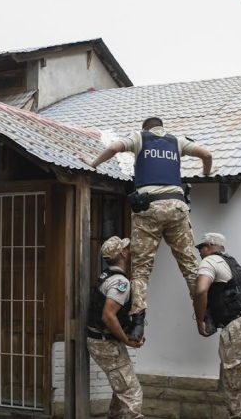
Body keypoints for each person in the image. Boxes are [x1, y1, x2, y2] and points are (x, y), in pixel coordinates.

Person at [86, 116, 213, 342]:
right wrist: (206, 172)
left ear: (145, 128)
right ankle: (207, 316)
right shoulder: (177, 141)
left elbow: (114, 148)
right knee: (189, 266)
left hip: (149, 208)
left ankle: (137, 325)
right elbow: (207, 155)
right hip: (177, 207)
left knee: (141, 269)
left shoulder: (139, 138)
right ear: (162, 127)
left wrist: (92, 163)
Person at [193, 233, 241, 419]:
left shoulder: (209, 261)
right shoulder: (231, 262)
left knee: (234, 382)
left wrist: (200, 319)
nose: (199, 251)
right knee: (240, 377)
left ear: (210, 246)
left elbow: (201, 290)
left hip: (239, 325)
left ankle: (240, 415)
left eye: (201, 247)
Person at [86, 236, 145, 419]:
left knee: (121, 388)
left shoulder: (106, 276)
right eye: (126, 248)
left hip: (103, 340)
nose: (129, 250)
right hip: (105, 343)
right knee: (131, 392)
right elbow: (108, 316)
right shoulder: (120, 282)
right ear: (123, 254)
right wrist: (127, 340)